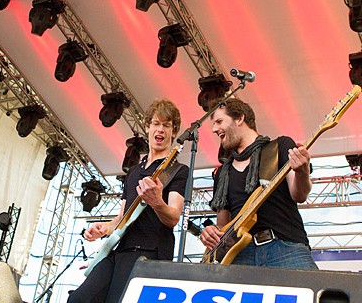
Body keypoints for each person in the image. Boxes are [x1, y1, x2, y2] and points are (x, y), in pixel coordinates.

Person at [68, 99, 189, 303]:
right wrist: (105, 228)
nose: (160, 130)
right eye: (156, 124)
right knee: (79, 299)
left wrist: (157, 202)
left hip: (150, 253)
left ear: (174, 131)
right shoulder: (133, 172)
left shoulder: (177, 170)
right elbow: (123, 217)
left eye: (167, 126)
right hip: (119, 250)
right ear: (147, 127)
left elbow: (173, 217)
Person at [199, 98, 318, 269]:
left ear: (239, 118)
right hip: (241, 255)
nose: (214, 129)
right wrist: (211, 233)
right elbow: (223, 225)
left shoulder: (279, 147)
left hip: (285, 248)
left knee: (310, 293)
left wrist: (302, 172)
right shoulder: (223, 172)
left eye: (219, 121)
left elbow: (299, 195)